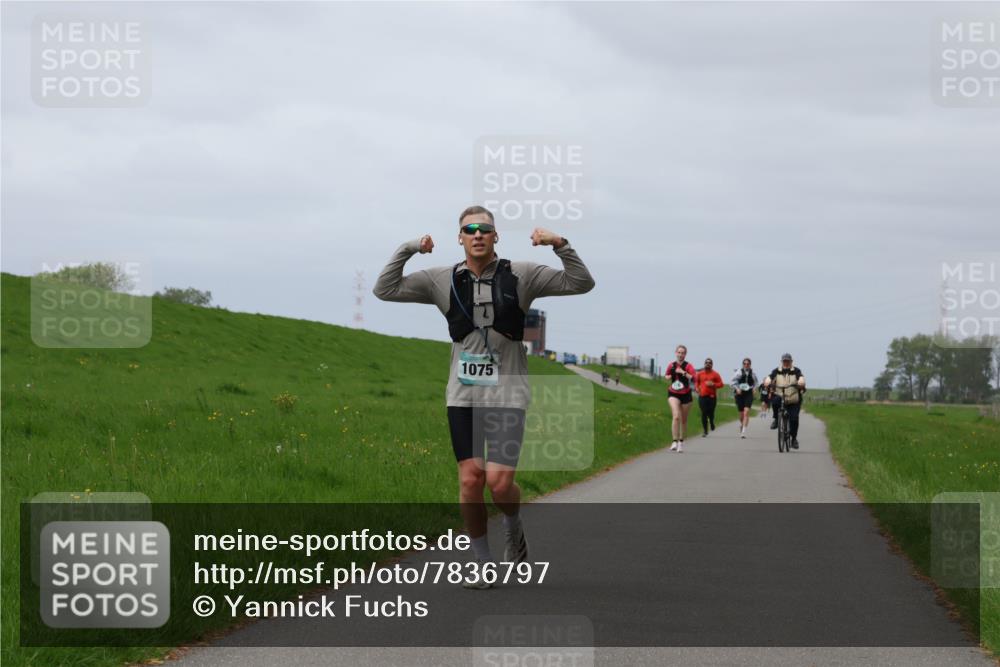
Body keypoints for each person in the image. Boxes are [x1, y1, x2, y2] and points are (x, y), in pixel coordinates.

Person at [373, 205, 595, 588]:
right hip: (464, 396)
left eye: (485, 229)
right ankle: (482, 563)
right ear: (460, 237)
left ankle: (513, 524)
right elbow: (385, 289)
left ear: (496, 236)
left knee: (499, 484)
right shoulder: (442, 279)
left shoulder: (522, 274)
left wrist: (559, 243)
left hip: (508, 393)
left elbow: (581, 282)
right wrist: (410, 247)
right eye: (470, 229)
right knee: (470, 480)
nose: (477, 234)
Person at [764, 353, 807, 449]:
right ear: (782, 361)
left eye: (788, 361)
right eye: (784, 361)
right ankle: (776, 419)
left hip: (793, 398)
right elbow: (770, 377)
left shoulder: (796, 371)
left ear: (791, 361)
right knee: (775, 401)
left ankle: (794, 439)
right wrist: (767, 381)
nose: (786, 363)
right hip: (780, 395)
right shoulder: (777, 370)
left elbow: (801, 378)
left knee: (794, 419)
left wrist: (801, 381)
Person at [666, 345, 697, 453]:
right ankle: (674, 441)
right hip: (673, 393)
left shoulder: (688, 366)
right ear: (676, 353)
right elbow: (666, 375)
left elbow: (694, 378)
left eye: (682, 353)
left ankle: (681, 442)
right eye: (679, 352)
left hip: (686, 394)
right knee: (676, 417)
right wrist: (669, 377)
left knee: (683, 420)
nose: (680, 354)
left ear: (685, 354)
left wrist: (683, 372)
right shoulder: (671, 365)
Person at [694, 357, 723, 437]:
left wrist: (713, 384)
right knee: (704, 413)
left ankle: (712, 422)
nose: (708, 364)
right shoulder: (700, 374)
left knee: (711, 412)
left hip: (712, 397)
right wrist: (696, 388)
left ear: (712, 365)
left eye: (709, 363)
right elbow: (696, 382)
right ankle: (705, 430)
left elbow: (721, 384)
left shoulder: (715, 374)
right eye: (706, 363)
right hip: (702, 396)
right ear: (704, 364)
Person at [731, 358, 758, 439]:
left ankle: (743, 432)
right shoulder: (738, 372)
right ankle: (742, 424)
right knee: (741, 414)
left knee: (746, 412)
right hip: (740, 393)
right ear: (743, 364)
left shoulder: (753, 373)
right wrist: (737, 389)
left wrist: (754, 389)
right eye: (745, 364)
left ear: (750, 365)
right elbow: (732, 382)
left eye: (748, 364)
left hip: (748, 393)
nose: (746, 365)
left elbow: (756, 383)